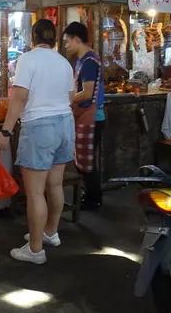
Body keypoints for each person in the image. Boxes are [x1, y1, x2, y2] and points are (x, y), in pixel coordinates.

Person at [0, 19, 75, 265]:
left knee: (35, 192)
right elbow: (70, 97)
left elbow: (19, 97)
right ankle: (50, 232)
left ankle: (35, 249)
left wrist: (5, 132)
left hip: (40, 127)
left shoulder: (27, 60)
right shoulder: (64, 63)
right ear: (54, 40)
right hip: (64, 124)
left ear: (33, 37)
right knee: (55, 185)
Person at [63, 22, 105, 210]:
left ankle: (94, 199)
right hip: (86, 116)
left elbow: (87, 93)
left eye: (67, 41)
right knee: (83, 161)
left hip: (93, 117)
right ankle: (90, 195)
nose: (65, 45)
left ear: (77, 39)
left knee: (87, 162)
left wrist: (67, 98)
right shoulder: (82, 60)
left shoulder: (89, 62)